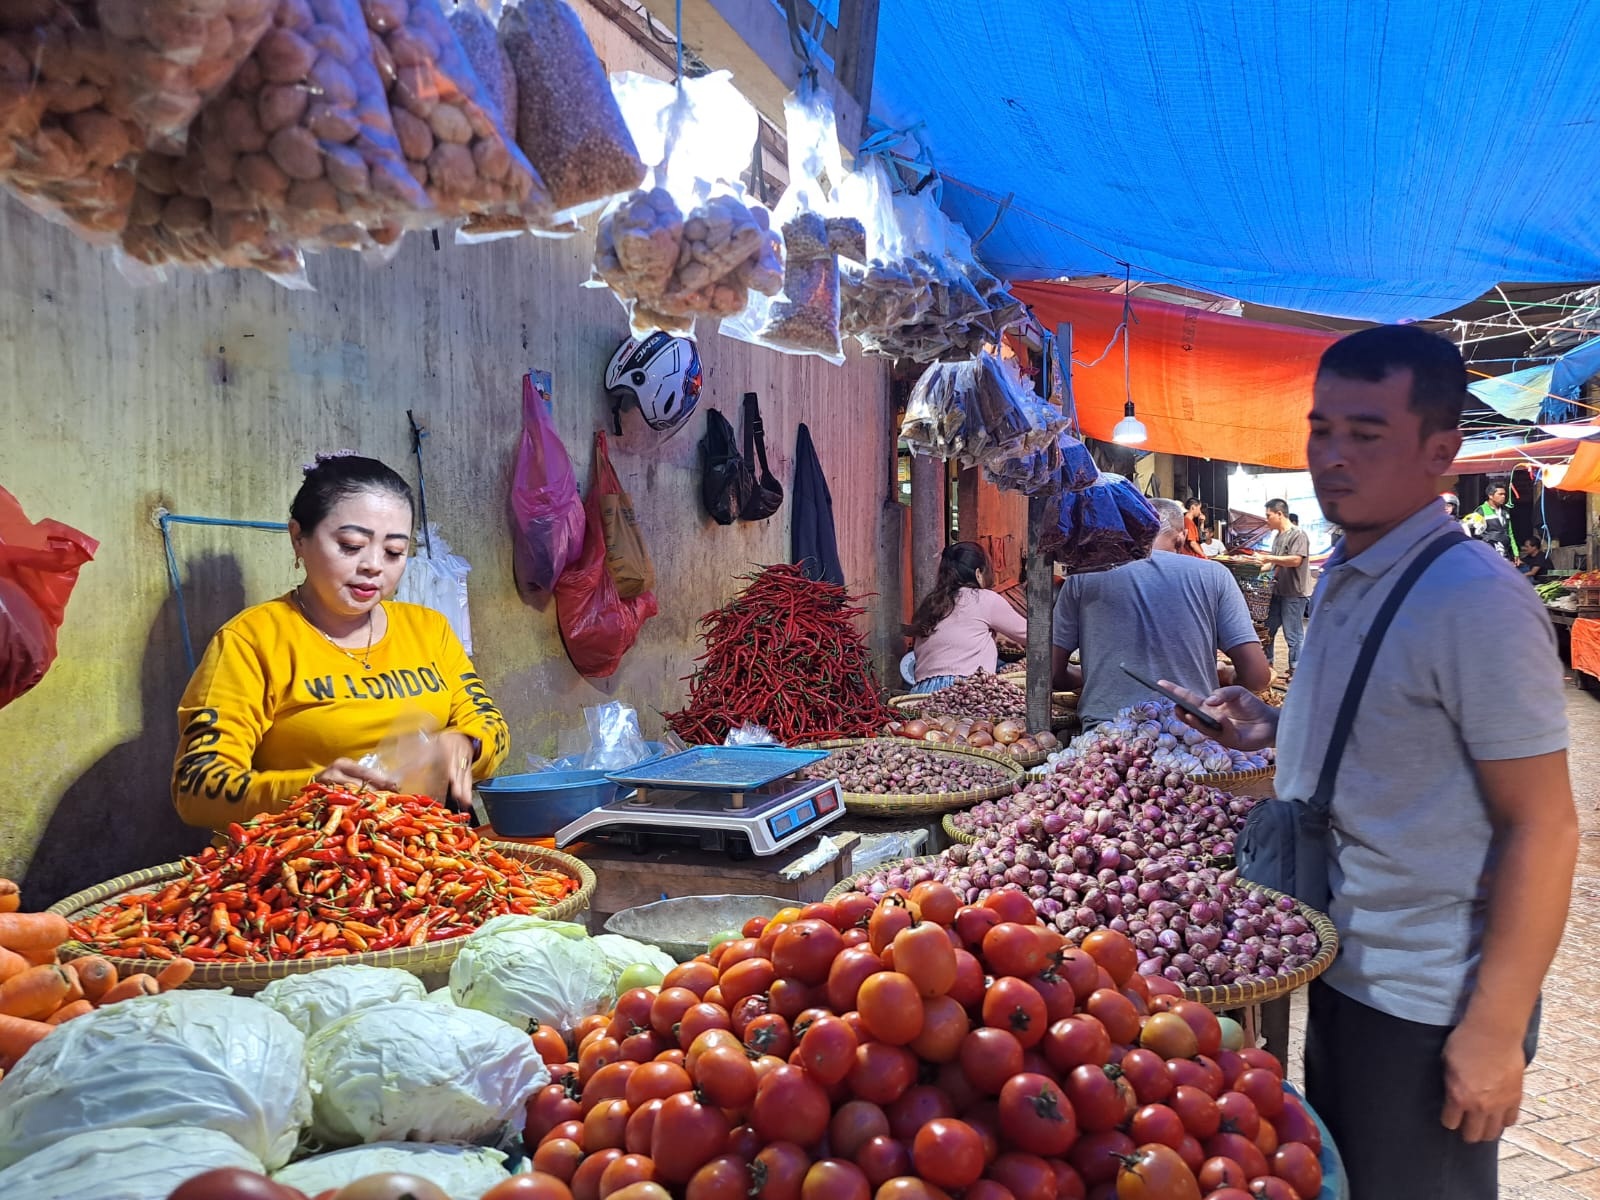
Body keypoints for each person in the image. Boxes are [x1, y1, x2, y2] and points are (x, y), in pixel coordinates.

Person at [1164, 325, 1575, 1200]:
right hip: (1349, 968)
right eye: (1322, 430)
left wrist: (1496, 1031)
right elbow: (1384, 737)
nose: (1333, 457)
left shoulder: (1476, 603)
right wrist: (1274, 728)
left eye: (1366, 433)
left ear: (1440, 451)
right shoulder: (1353, 570)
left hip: (1429, 1002)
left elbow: (1545, 825)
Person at [172, 454, 511, 831]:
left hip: (428, 855)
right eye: (351, 545)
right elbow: (196, 789)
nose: (373, 565)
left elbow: (489, 723)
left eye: (394, 552)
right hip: (306, 866)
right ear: (298, 537)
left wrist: (466, 744)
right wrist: (310, 789)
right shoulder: (250, 641)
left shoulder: (429, 629)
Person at [1049, 498, 1271, 727]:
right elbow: (1257, 677)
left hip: (1108, 740)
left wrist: (1095, 675)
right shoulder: (1215, 575)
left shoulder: (1084, 577)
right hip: (1192, 735)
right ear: (1182, 537)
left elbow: (1052, 673)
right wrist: (1227, 675)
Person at [905, 542, 1027, 693]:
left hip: (921, 693)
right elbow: (1032, 636)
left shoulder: (930, 604)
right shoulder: (984, 598)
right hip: (965, 691)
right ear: (978, 573)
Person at [1246, 498, 1312, 676]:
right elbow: (1273, 565)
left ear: (1279, 514)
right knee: (1268, 629)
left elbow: (1296, 560)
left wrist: (1268, 559)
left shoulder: (1298, 534)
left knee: (1293, 634)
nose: (1266, 519)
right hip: (1277, 591)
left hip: (1294, 593)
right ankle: (1267, 666)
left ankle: (1295, 670)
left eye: (1268, 516)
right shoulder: (1278, 537)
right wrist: (1252, 565)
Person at [1470, 481, 1518, 560]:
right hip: (1488, 554)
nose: (1503, 497)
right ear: (1490, 496)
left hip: (1504, 553)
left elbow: (1510, 533)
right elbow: (1474, 534)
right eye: (1500, 494)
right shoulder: (1481, 511)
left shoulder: (1504, 512)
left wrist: (1515, 553)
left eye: (1504, 494)